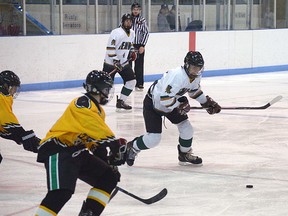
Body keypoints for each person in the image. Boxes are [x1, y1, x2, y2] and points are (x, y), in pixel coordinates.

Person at [35, 70, 127, 216]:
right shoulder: (82, 102)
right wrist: (113, 143)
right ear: (99, 89)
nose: (108, 93)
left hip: (76, 151)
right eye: (107, 89)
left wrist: (106, 161)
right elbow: (95, 127)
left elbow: (93, 138)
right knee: (61, 193)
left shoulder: (99, 111)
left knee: (108, 177)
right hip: (58, 149)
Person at [124, 51, 221, 166]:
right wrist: (179, 106)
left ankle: (184, 154)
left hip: (171, 102)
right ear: (187, 65)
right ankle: (132, 147)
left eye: (199, 68)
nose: (196, 71)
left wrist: (206, 103)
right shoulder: (177, 76)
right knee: (154, 139)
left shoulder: (195, 76)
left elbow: (194, 91)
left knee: (187, 128)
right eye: (194, 68)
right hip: (153, 104)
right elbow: (164, 99)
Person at [0, 70, 39, 164]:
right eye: (13, 88)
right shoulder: (1, 98)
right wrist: (25, 137)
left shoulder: (4, 97)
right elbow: (8, 124)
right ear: (5, 86)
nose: (14, 91)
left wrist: (21, 137)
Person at [103, 13, 137, 111]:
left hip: (123, 63)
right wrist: (115, 61)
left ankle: (121, 101)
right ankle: (95, 104)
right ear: (122, 22)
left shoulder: (132, 33)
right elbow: (110, 48)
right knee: (106, 87)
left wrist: (132, 52)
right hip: (110, 63)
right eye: (127, 21)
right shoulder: (116, 32)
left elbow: (130, 45)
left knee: (131, 81)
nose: (129, 23)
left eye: (130, 21)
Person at [130, 2, 149, 91]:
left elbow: (146, 33)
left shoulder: (142, 20)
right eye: (134, 9)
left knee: (139, 65)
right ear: (132, 10)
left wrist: (142, 45)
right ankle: (128, 82)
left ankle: (139, 83)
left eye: (137, 9)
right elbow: (121, 31)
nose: (135, 11)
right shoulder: (127, 19)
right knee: (128, 65)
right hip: (128, 46)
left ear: (140, 10)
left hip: (138, 45)